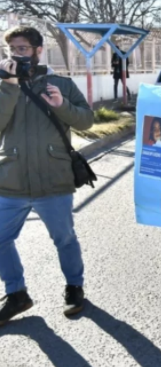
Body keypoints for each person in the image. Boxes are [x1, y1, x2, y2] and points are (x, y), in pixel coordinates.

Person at [0, 26, 94, 326]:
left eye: (23, 48)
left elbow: (87, 121)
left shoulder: (61, 84)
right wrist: (10, 87)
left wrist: (62, 105)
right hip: (11, 179)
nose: (16, 54)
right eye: (11, 49)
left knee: (64, 239)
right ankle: (17, 294)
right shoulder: (3, 85)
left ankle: (74, 287)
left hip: (54, 179)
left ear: (39, 50)